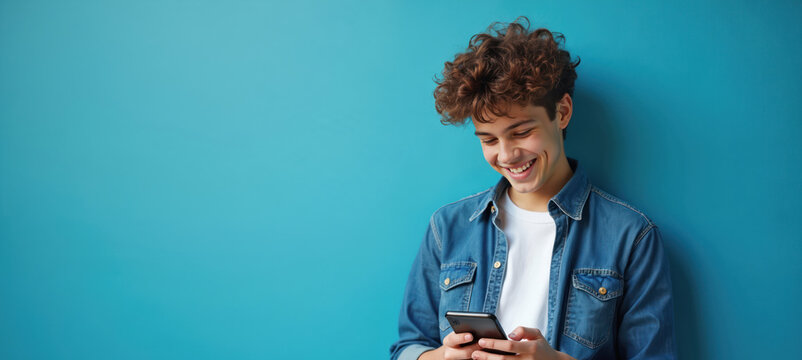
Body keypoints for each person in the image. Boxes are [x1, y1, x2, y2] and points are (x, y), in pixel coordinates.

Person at [389, 17, 676, 360]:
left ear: (563, 112)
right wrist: (444, 357)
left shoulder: (632, 237)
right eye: (489, 139)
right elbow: (407, 348)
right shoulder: (447, 227)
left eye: (522, 132)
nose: (507, 155)